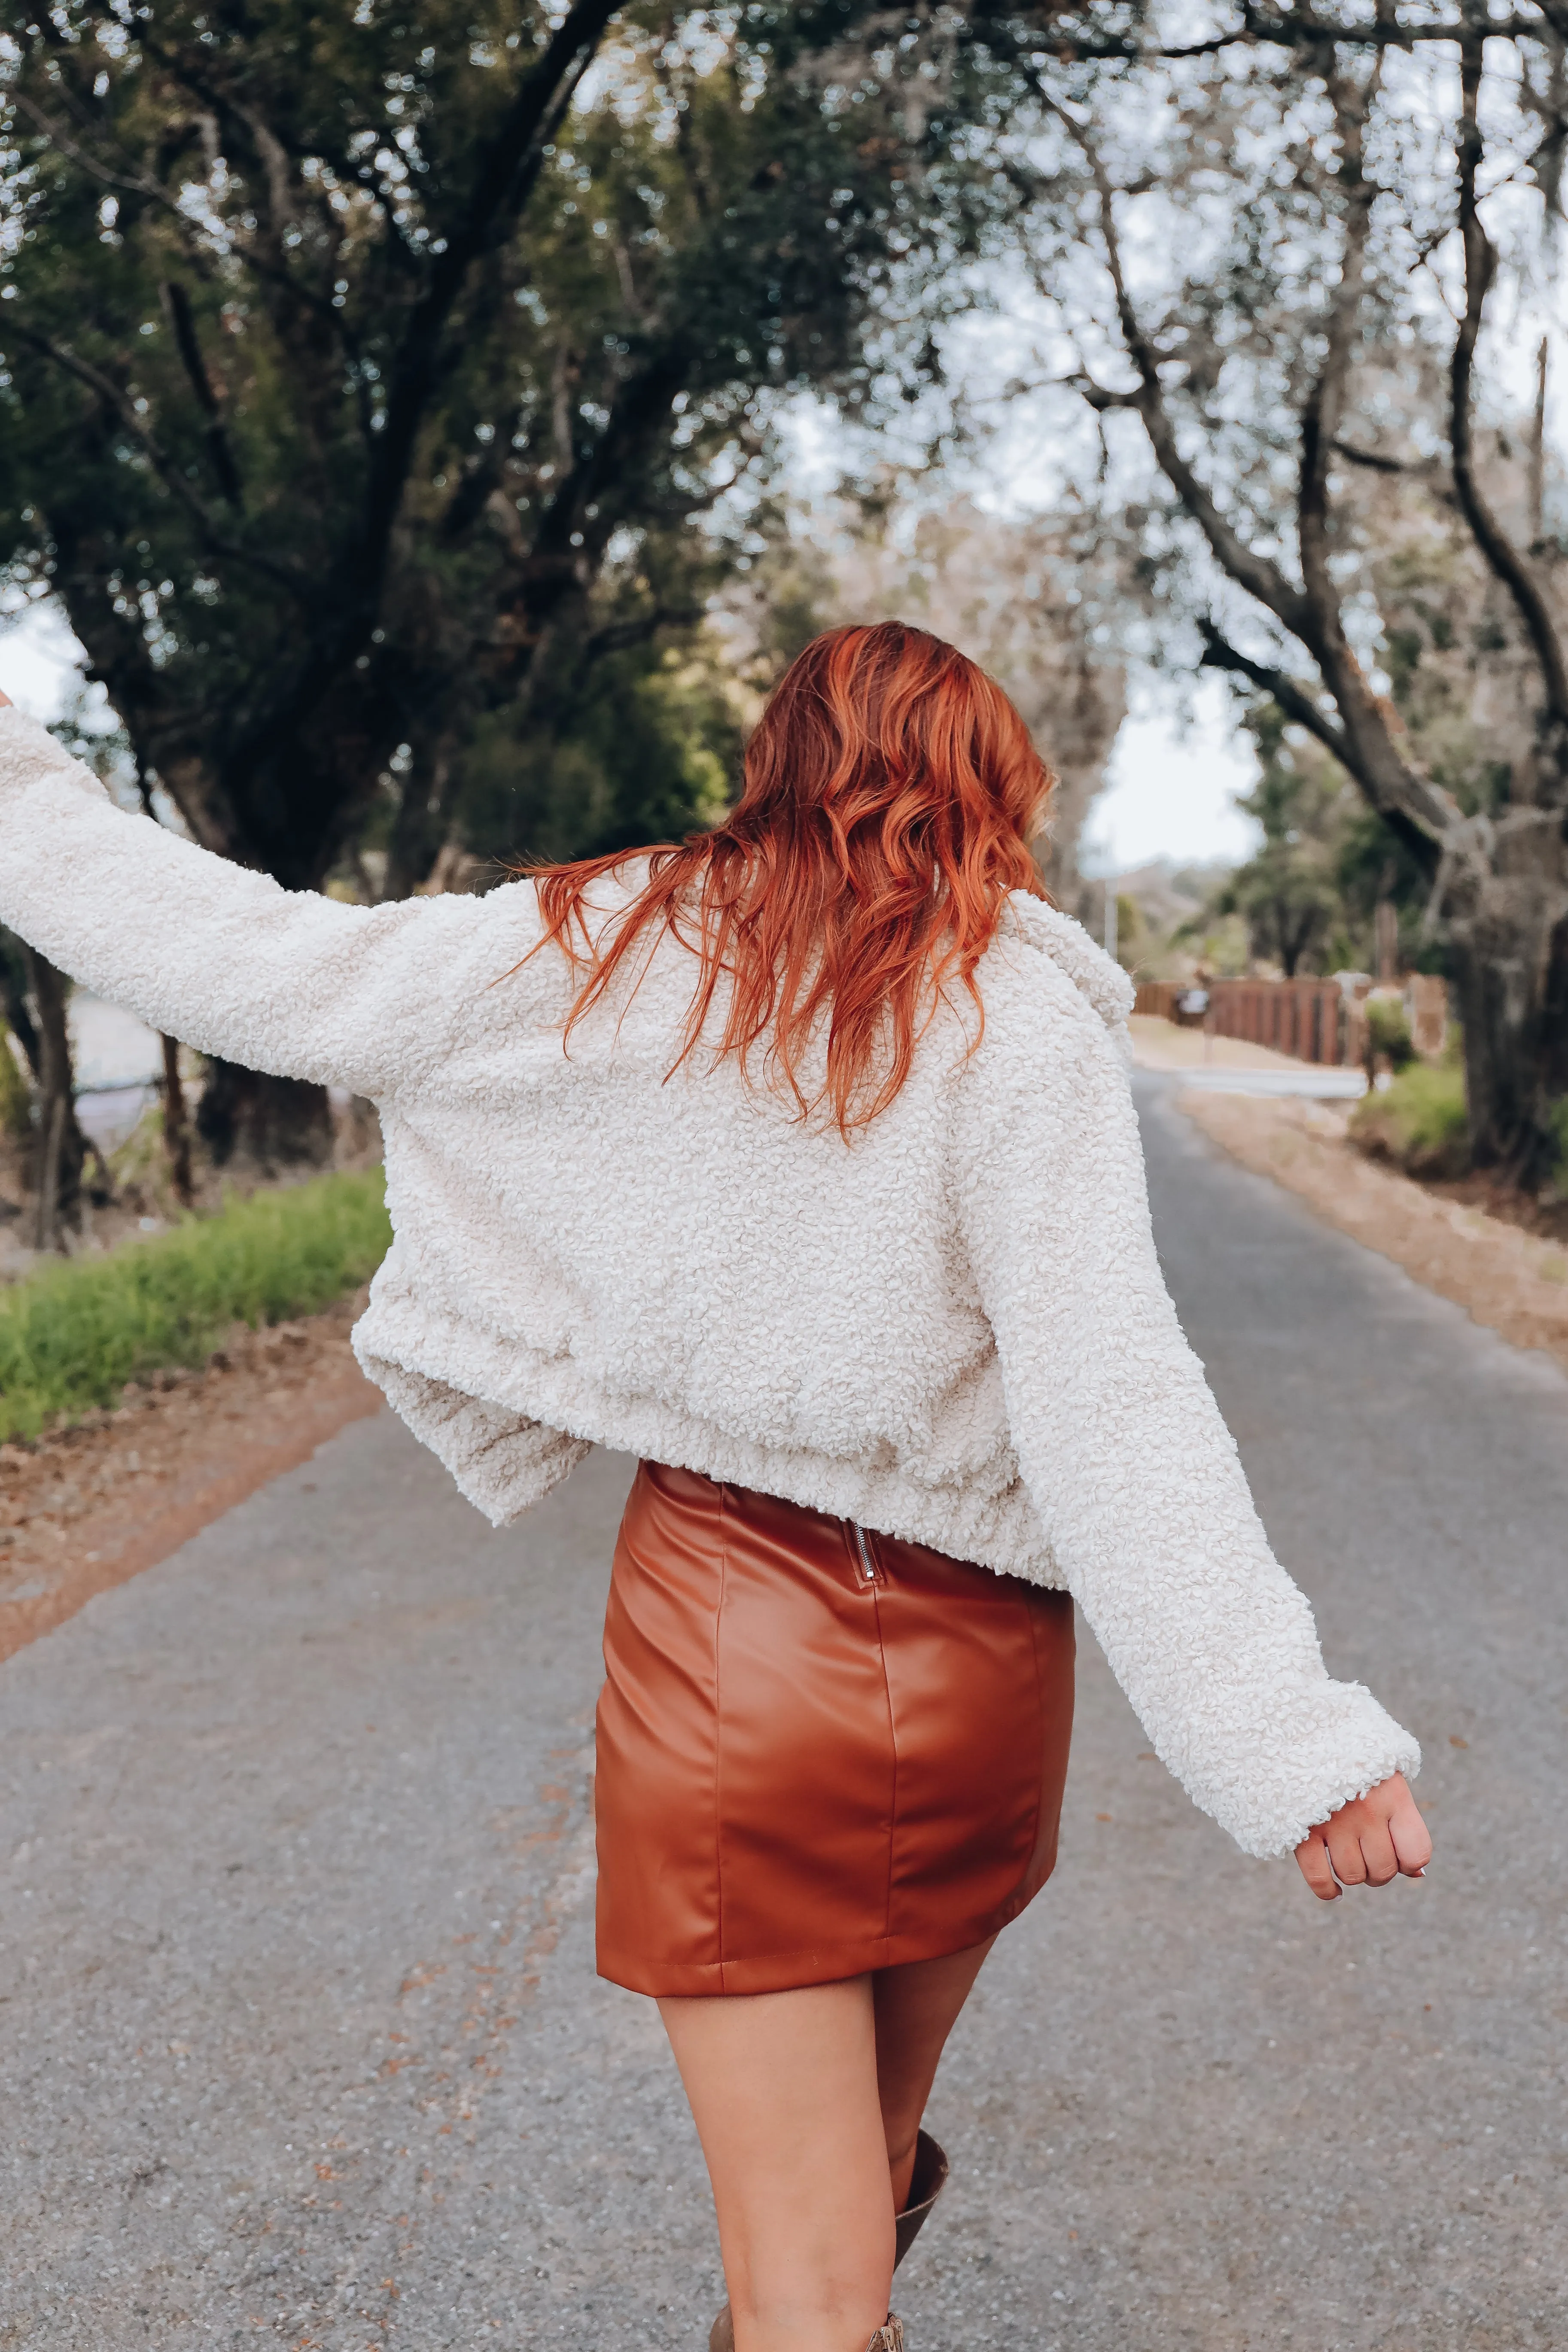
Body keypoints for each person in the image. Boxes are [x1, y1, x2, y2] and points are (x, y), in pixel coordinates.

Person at [0, 626, 1430, 2352]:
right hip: (985, 1676)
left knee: (810, 2287)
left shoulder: (606, 951)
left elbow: (250, 957)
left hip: (728, 1657)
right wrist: (1290, 1742)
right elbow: (1114, 1392)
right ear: (995, 797)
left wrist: (21, 791)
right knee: (847, 2215)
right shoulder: (1016, 1015)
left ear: (774, 767)